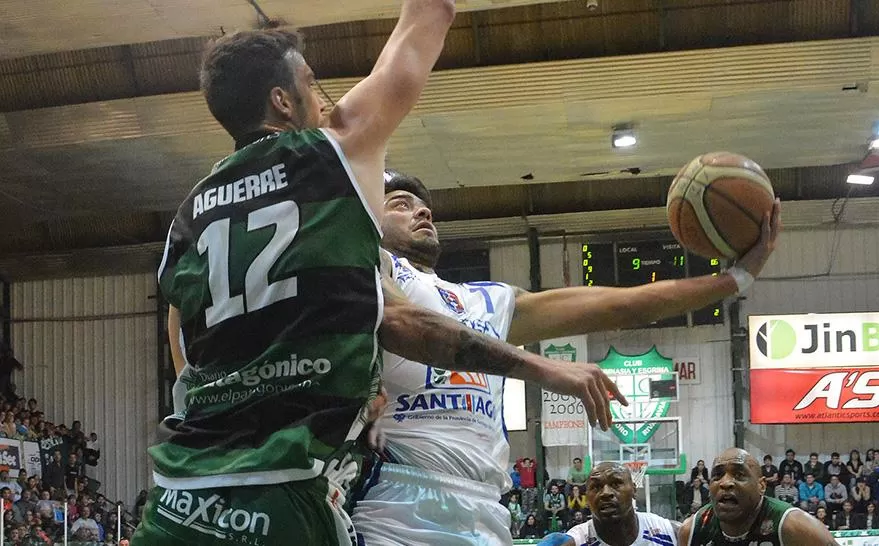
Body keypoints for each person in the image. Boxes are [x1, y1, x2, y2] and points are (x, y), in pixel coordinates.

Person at [139, 3, 627, 544]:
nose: (324, 100)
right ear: (282, 100)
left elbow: (185, 348)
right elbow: (423, 28)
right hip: (285, 489)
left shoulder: (189, 216)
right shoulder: (332, 154)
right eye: (312, 83)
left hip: (179, 497)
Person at [352, 171, 782, 544]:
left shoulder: (488, 300)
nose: (422, 212)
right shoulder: (371, 268)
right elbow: (413, 327)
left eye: (424, 206)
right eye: (401, 205)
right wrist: (546, 369)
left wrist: (733, 279)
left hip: (485, 507)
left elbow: (622, 305)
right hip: (401, 499)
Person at [679, 448, 837, 546]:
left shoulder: (796, 527)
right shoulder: (692, 529)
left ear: (761, 486)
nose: (725, 483)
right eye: (718, 475)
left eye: (739, 475)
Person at [560, 462, 681, 546]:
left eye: (616, 484)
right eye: (596, 487)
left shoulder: (670, 533)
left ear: (634, 490)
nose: (606, 493)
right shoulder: (574, 541)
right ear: (586, 497)